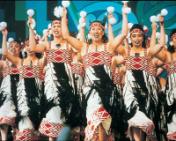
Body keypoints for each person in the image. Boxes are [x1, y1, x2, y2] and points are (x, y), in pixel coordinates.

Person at [61, 2, 129, 140]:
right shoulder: (84, 47)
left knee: (104, 124)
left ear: (103, 31)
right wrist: (64, 16)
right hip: (90, 91)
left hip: (107, 90)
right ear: (89, 32)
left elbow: (123, 33)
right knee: (95, 121)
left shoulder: (109, 47)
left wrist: (124, 12)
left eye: (99, 28)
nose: (96, 31)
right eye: (93, 28)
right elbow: (66, 36)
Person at [29, 16, 81, 141]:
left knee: (65, 112)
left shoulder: (69, 44)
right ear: (51, 29)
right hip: (51, 83)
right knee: (52, 110)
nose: (56, 28)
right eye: (54, 26)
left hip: (66, 83)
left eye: (59, 26)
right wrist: (30, 28)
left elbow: (80, 48)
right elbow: (33, 48)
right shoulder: (48, 44)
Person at [116, 17, 165, 140]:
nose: (137, 38)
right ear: (130, 38)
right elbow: (115, 42)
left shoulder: (148, 52)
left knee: (144, 121)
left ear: (143, 38)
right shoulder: (125, 52)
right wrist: (123, 20)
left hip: (146, 91)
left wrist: (162, 26)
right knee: (134, 116)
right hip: (130, 91)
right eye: (133, 35)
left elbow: (161, 44)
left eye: (139, 36)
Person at [0, 29, 21, 141]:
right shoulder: (3, 63)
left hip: (20, 94)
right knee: (4, 119)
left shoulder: (22, 63)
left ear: (20, 49)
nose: (13, 48)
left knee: (18, 120)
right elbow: (4, 53)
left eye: (16, 46)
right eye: (11, 46)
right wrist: (4, 36)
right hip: (6, 94)